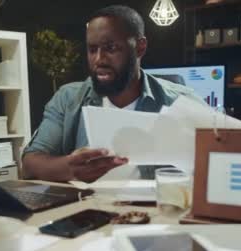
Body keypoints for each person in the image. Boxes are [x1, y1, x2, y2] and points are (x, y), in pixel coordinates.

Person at [22, 5, 202, 183]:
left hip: (152, 210)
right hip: (85, 206)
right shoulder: (68, 98)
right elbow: (29, 164)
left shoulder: (181, 102)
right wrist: (70, 168)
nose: (99, 60)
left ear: (140, 48)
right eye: (92, 50)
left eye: (111, 48)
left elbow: (220, 160)